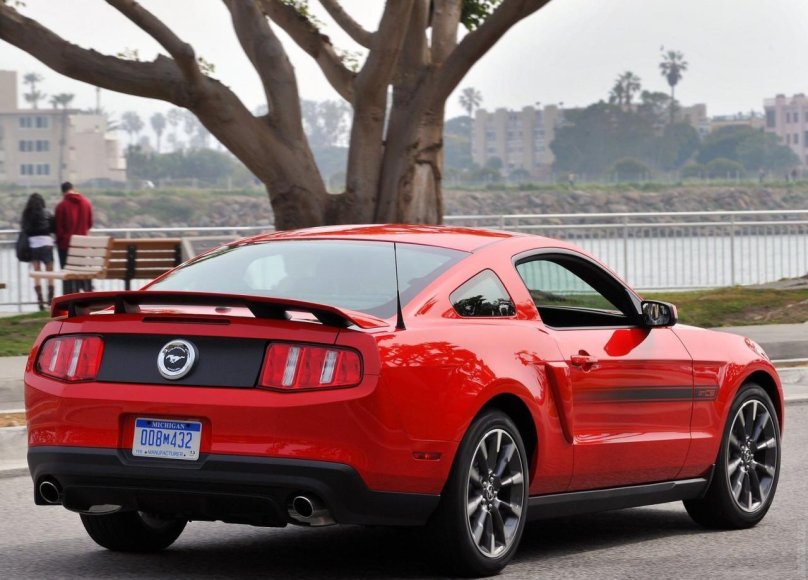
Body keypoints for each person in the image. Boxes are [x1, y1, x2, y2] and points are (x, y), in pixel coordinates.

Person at [54, 181, 93, 294]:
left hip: (66, 246)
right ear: (73, 188)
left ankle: (69, 297)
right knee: (82, 272)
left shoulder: (61, 206)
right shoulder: (86, 203)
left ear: (63, 192)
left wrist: (62, 238)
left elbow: (58, 228)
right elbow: (90, 223)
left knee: (68, 275)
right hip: (82, 245)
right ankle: (86, 296)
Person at [20, 192, 55, 310]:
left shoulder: (26, 214)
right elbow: (53, 227)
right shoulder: (47, 213)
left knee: (37, 273)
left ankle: (40, 299)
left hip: (34, 245)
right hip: (47, 244)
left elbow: (25, 228)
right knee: (50, 272)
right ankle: (51, 298)